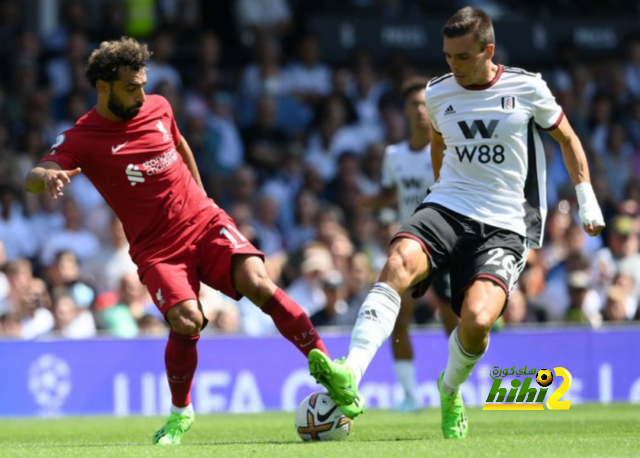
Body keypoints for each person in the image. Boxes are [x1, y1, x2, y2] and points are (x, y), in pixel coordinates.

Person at [308, 6, 605, 439]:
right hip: (449, 205)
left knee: (478, 321)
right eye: (447, 56)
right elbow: (439, 144)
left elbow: (568, 138)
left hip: (505, 222)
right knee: (396, 264)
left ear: (489, 50)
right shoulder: (438, 92)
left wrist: (585, 197)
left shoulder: (527, 87)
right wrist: (437, 192)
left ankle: (449, 389)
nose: (453, 66)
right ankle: (350, 374)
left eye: (463, 57)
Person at [24, 37, 329, 446]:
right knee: (186, 320)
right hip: (156, 248)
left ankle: (329, 368)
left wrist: (204, 199)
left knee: (258, 279)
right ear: (103, 87)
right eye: (131, 87)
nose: (140, 94)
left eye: (142, 84)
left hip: (202, 221)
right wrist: (47, 176)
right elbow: (34, 174)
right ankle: (181, 412)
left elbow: (180, 145)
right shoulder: (81, 136)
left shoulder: (159, 107)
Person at [360, 76, 458, 412]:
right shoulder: (394, 155)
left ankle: (453, 389)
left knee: (452, 321)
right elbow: (390, 193)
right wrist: (365, 202)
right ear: (404, 111)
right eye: (413, 105)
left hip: (445, 245)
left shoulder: (449, 151)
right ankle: (408, 396)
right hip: (410, 247)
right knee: (397, 320)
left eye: (424, 105)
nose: (419, 111)